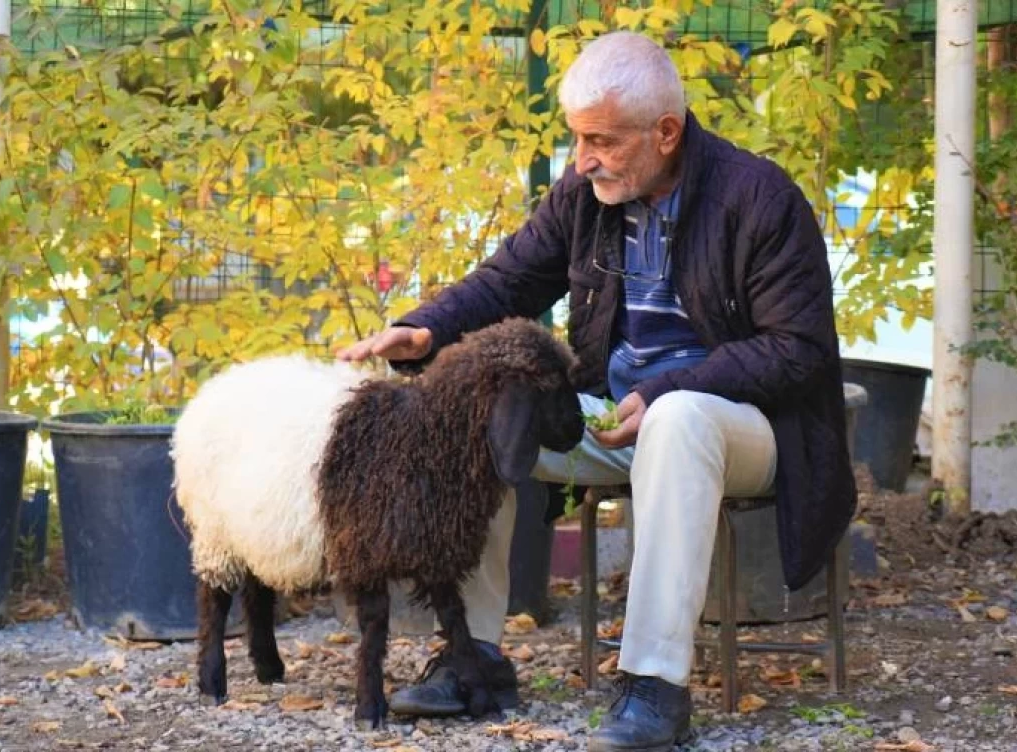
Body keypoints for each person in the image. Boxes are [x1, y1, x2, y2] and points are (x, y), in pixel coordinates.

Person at [336, 30, 858, 752]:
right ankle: (471, 658)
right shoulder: (584, 196)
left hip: (746, 428)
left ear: (667, 133)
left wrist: (676, 384)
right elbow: (508, 281)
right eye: (577, 139)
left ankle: (653, 686)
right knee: (475, 412)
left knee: (676, 419)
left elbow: (796, 350)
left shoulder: (760, 199)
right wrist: (423, 331)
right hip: (615, 417)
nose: (582, 160)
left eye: (602, 141)